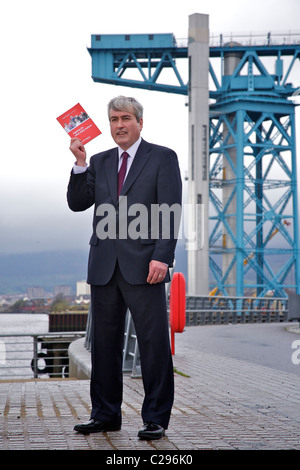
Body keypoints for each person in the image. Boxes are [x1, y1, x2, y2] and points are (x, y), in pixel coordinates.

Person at [67, 96, 182, 440]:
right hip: (103, 265)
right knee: (103, 345)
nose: (119, 124)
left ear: (139, 122)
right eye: (114, 119)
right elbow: (77, 203)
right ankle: (105, 415)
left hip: (146, 265)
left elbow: (170, 209)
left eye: (126, 118)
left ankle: (156, 418)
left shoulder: (162, 157)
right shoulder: (99, 161)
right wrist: (79, 162)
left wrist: (163, 256)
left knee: (153, 343)